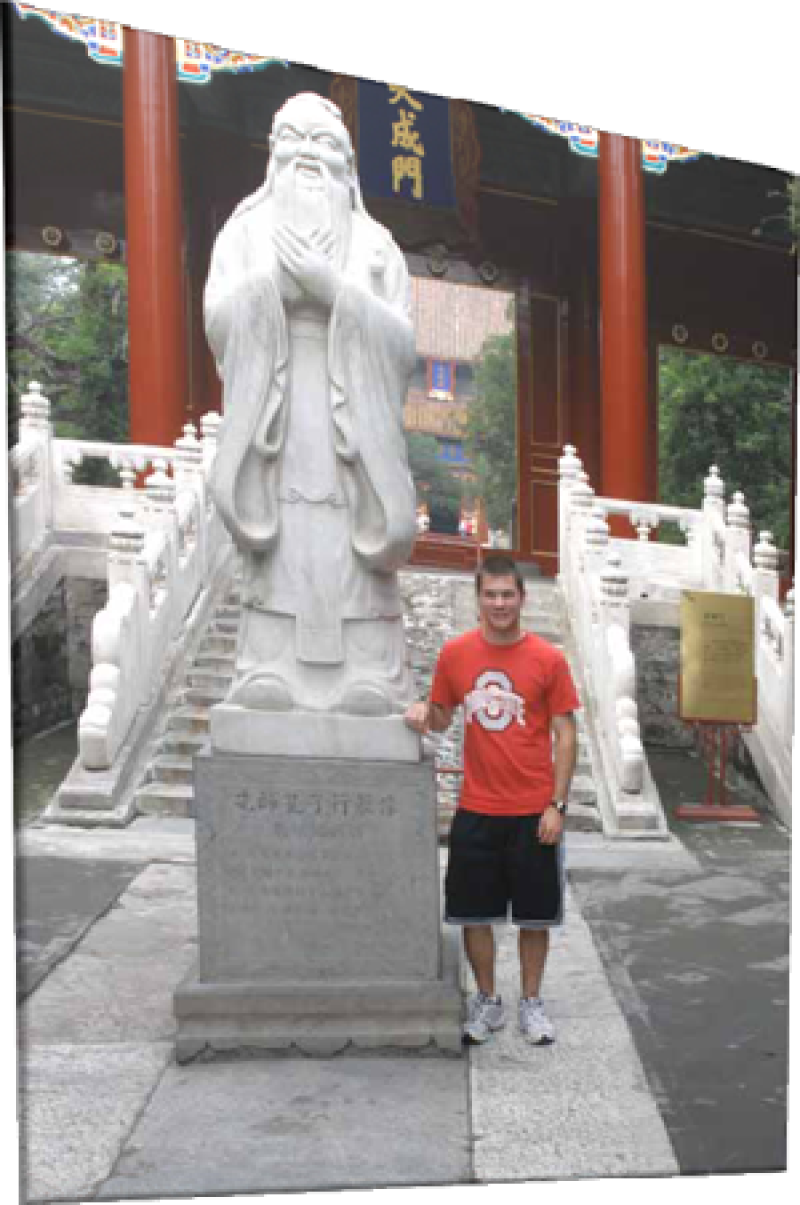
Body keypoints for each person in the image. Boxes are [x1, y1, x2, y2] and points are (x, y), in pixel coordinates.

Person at [204, 92, 417, 717]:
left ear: (348, 165)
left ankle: (371, 674)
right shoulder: (243, 233)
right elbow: (219, 321)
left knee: (355, 536)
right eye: (292, 139)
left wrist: (336, 293)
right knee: (286, 537)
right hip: (278, 409)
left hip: (353, 420)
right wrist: (270, 285)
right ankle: (268, 665)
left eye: (323, 143)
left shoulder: (378, 246)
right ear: (272, 155)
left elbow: (402, 344)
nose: (306, 154)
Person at [404, 552, 579, 1045]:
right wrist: (423, 712)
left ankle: (531, 1002)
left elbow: (566, 735)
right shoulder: (456, 655)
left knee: (534, 917)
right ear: (478, 599)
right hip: (477, 808)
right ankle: (487, 1001)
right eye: (491, 595)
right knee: (474, 915)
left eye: (508, 594)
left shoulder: (549, 660)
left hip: (533, 812)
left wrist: (557, 805)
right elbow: (441, 717)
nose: (500, 603)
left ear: (522, 598)